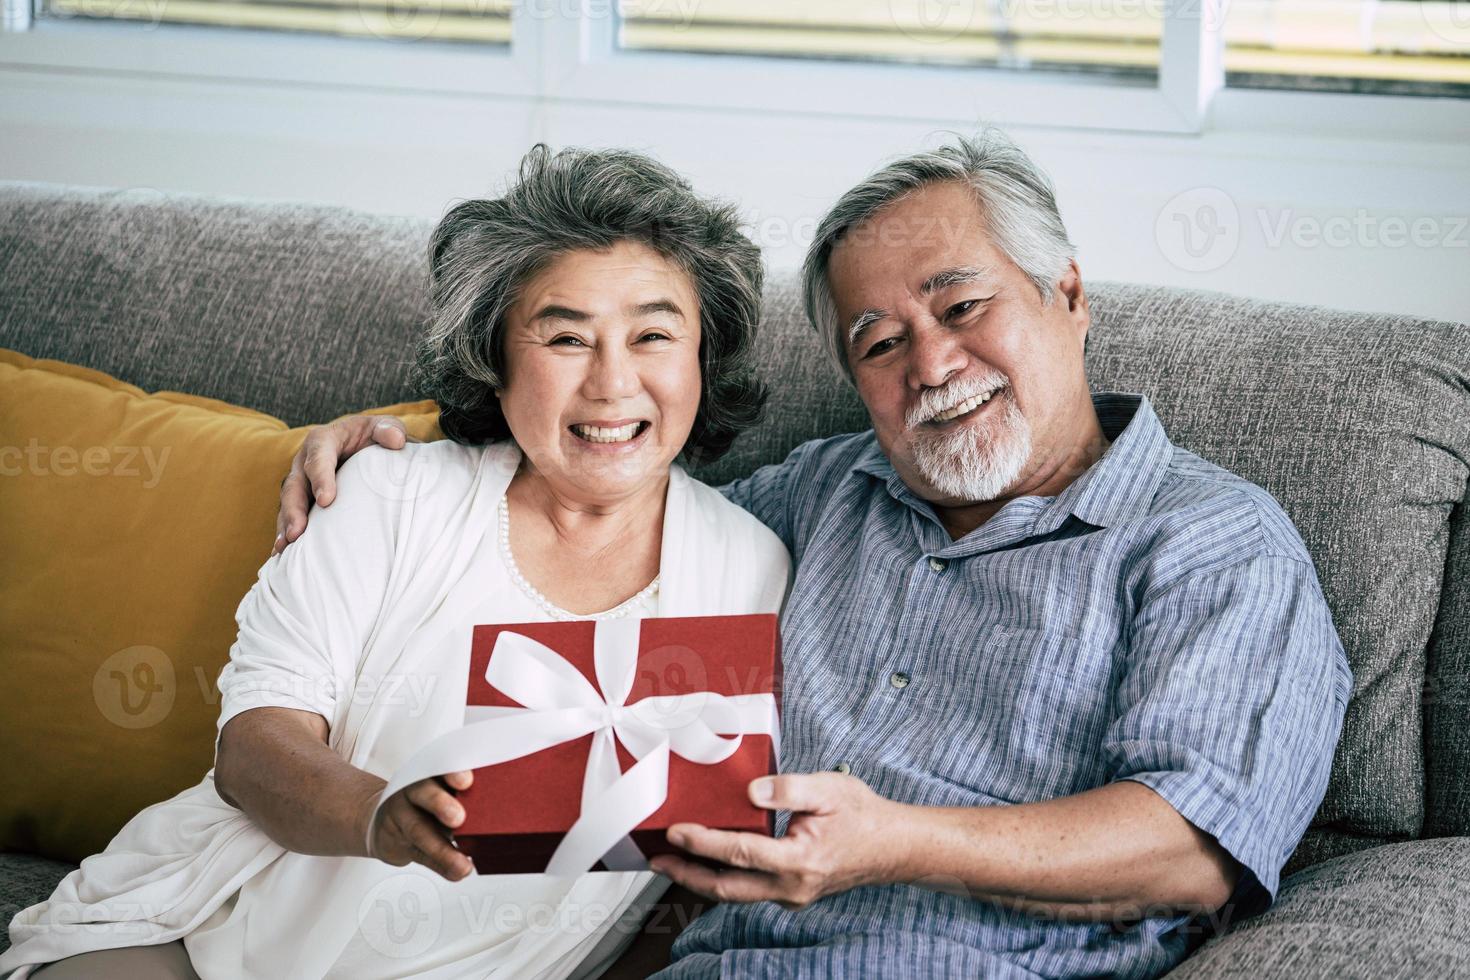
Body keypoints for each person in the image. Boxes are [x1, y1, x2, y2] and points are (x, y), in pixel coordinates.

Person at [271, 128, 1353, 979]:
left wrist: (897, 841)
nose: (931, 362)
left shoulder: (1214, 544)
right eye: (878, 343)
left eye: (961, 305)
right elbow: (599, 485)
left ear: (1067, 294)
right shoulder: (819, 495)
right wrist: (404, 443)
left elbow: (1195, 850)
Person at [0, 144, 789, 980]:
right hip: (217, 926)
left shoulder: (751, 569)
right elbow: (256, 748)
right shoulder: (383, 497)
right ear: (498, 357)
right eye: (566, 337)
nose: (612, 382)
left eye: (654, 335)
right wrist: (378, 814)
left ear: (704, 356)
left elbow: (707, 873)